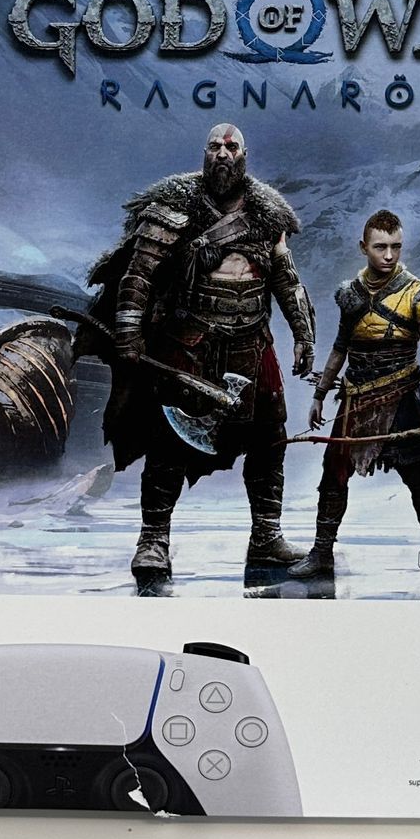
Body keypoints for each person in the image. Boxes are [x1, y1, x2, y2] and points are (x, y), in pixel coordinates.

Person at [86, 123, 314, 586]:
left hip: (252, 342)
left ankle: (266, 536)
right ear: (204, 153)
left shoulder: (266, 214)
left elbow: (285, 279)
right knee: (168, 440)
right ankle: (153, 540)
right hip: (189, 340)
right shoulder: (173, 206)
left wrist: (303, 335)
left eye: (231, 147)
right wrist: (128, 330)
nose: (223, 154)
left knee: (269, 437)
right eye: (215, 147)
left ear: (244, 155)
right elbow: (138, 275)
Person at [294, 209, 420, 599]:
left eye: (395, 247)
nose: (388, 255)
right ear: (363, 247)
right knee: (333, 477)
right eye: (380, 247)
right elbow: (341, 347)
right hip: (355, 399)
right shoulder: (351, 293)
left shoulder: (418, 293)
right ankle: (322, 554)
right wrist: (320, 395)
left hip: (402, 397)